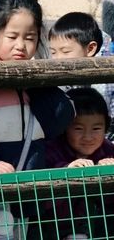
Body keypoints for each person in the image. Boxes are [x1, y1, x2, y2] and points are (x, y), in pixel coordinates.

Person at [0, 0, 74, 238]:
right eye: (12, 37)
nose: (21, 46)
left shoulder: (35, 76)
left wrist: (38, 82)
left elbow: (59, 120)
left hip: (27, 194)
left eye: (30, 37)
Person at [44, 88, 114, 239]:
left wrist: (109, 173)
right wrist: (66, 169)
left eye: (96, 128)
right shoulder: (51, 149)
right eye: (78, 128)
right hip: (56, 227)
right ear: (64, 127)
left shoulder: (109, 150)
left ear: (106, 127)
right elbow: (43, 200)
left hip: (100, 226)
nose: (88, 137)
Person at [48, 12, 114, 130]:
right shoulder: (60, 77)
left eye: (66, 52)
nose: (57, 59)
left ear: (90, 49)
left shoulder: (107, 79)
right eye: (53, 52)